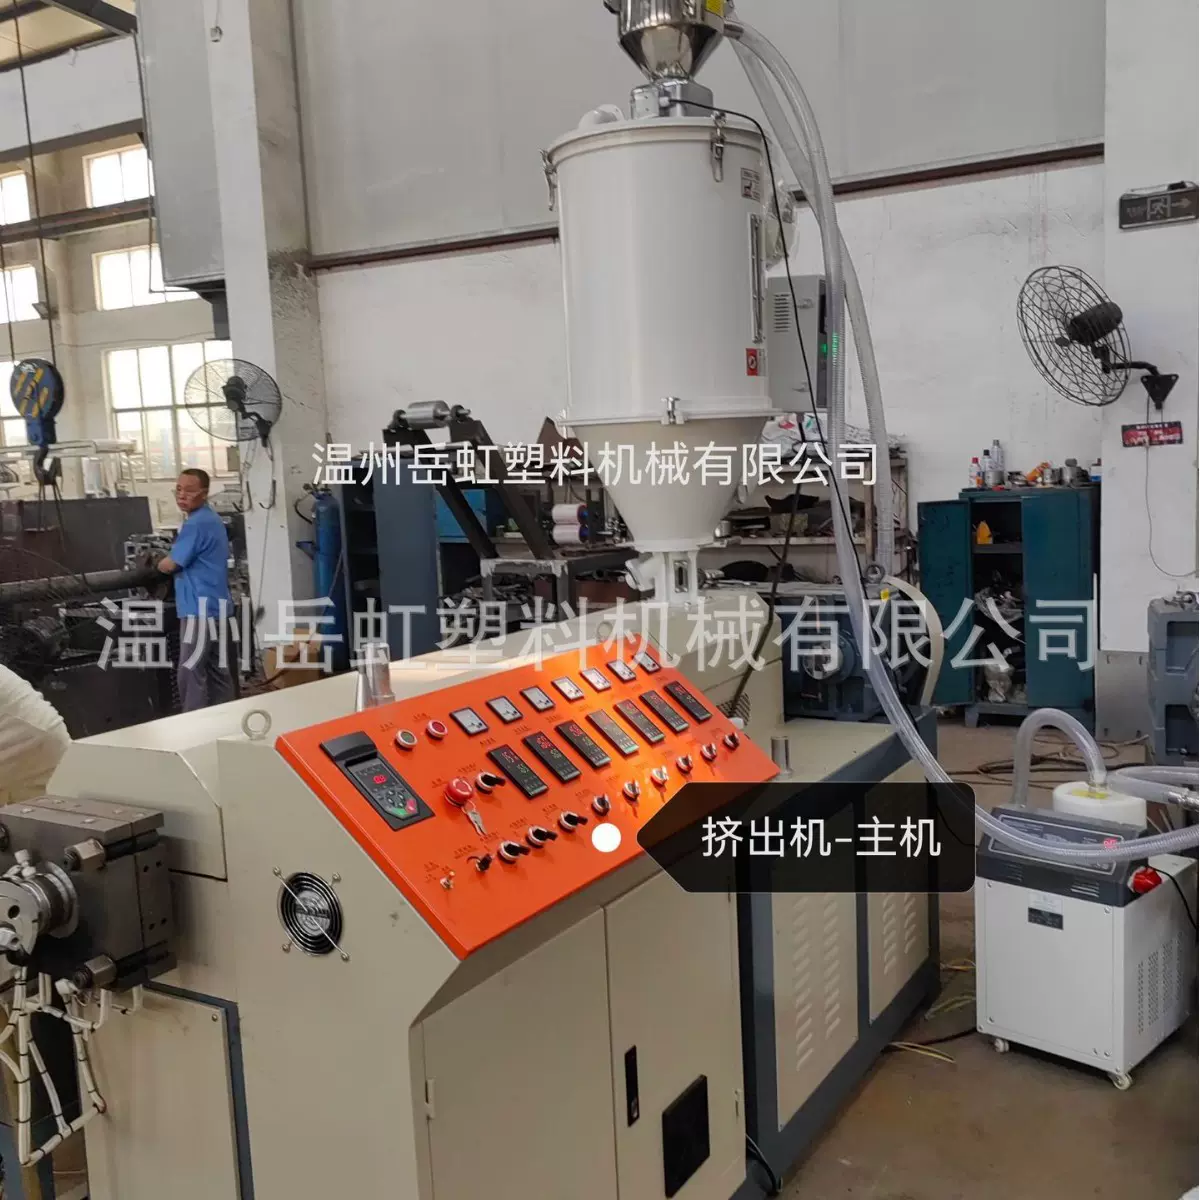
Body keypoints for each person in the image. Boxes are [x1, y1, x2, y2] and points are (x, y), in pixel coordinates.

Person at [158, 468, 235, 711]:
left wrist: (158, 563)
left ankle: (194, 723)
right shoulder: (213, 520)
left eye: (189, 490)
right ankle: (228, 718)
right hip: (218, 606)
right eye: (178, 490)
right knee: (218, 670)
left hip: (198, 610)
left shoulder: (196, 524)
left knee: (190, 671)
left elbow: (172, 564)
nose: (182, 495)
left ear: (204, 493)